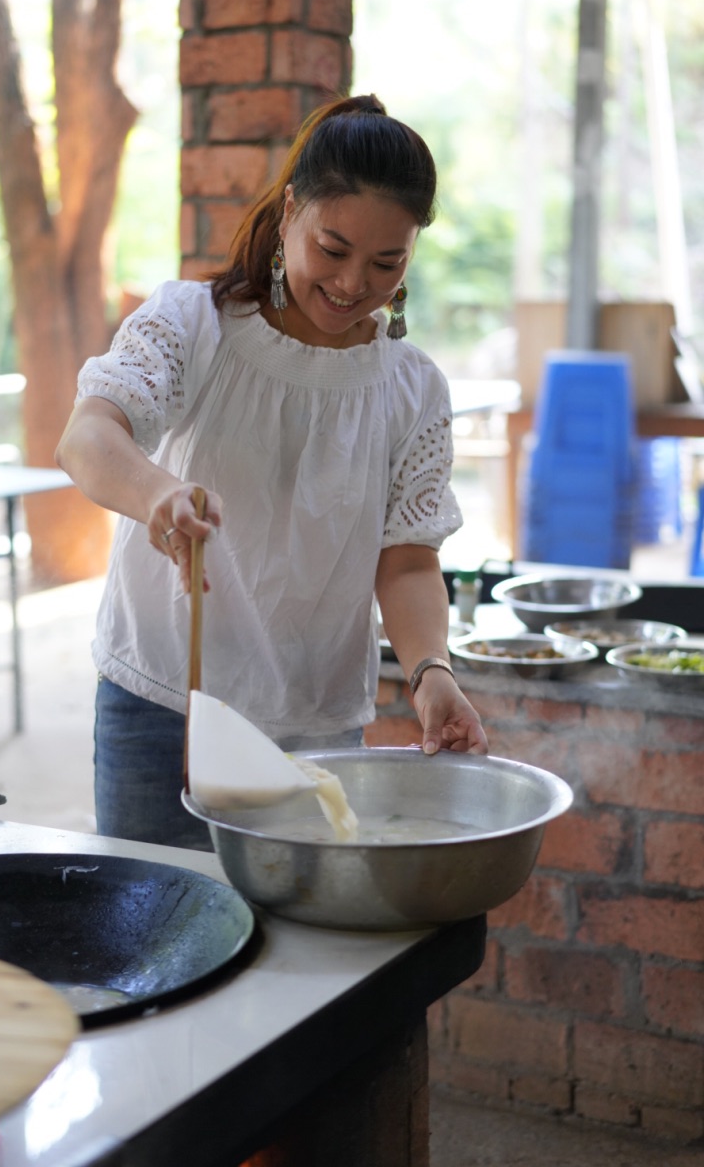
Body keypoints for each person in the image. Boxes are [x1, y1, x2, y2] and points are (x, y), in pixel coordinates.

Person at [56, 93, 488, 849]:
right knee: (154, 941)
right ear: (290, 212)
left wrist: (431, 673)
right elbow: (88, 437)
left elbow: (410, 560)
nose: (355, 283)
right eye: (334, 248)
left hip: (314, 726)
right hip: (165, 706)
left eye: (388, 262)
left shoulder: (412, 388)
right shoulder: (195, 326)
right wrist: (157, 493)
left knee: (294, 954)